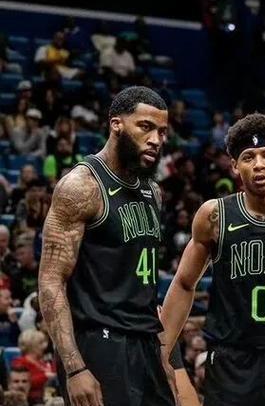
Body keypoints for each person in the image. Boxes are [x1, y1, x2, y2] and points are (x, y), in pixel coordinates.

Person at [161, 113, 265, 406]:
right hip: (230, 361)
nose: (258, 164)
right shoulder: (214, 216)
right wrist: (163, 353)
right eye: (248, 157)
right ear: (234, 166)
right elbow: (183, 283)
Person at [38, 86, 176, 406]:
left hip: (145, 343)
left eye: (162, 131)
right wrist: (75, 368)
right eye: (145, 127)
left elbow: (143, 286)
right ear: (116, 125)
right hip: (100, 342)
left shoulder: (152, 191)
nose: (156, 140)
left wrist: (163, 355)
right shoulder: (82, 186)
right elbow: (51, 281)